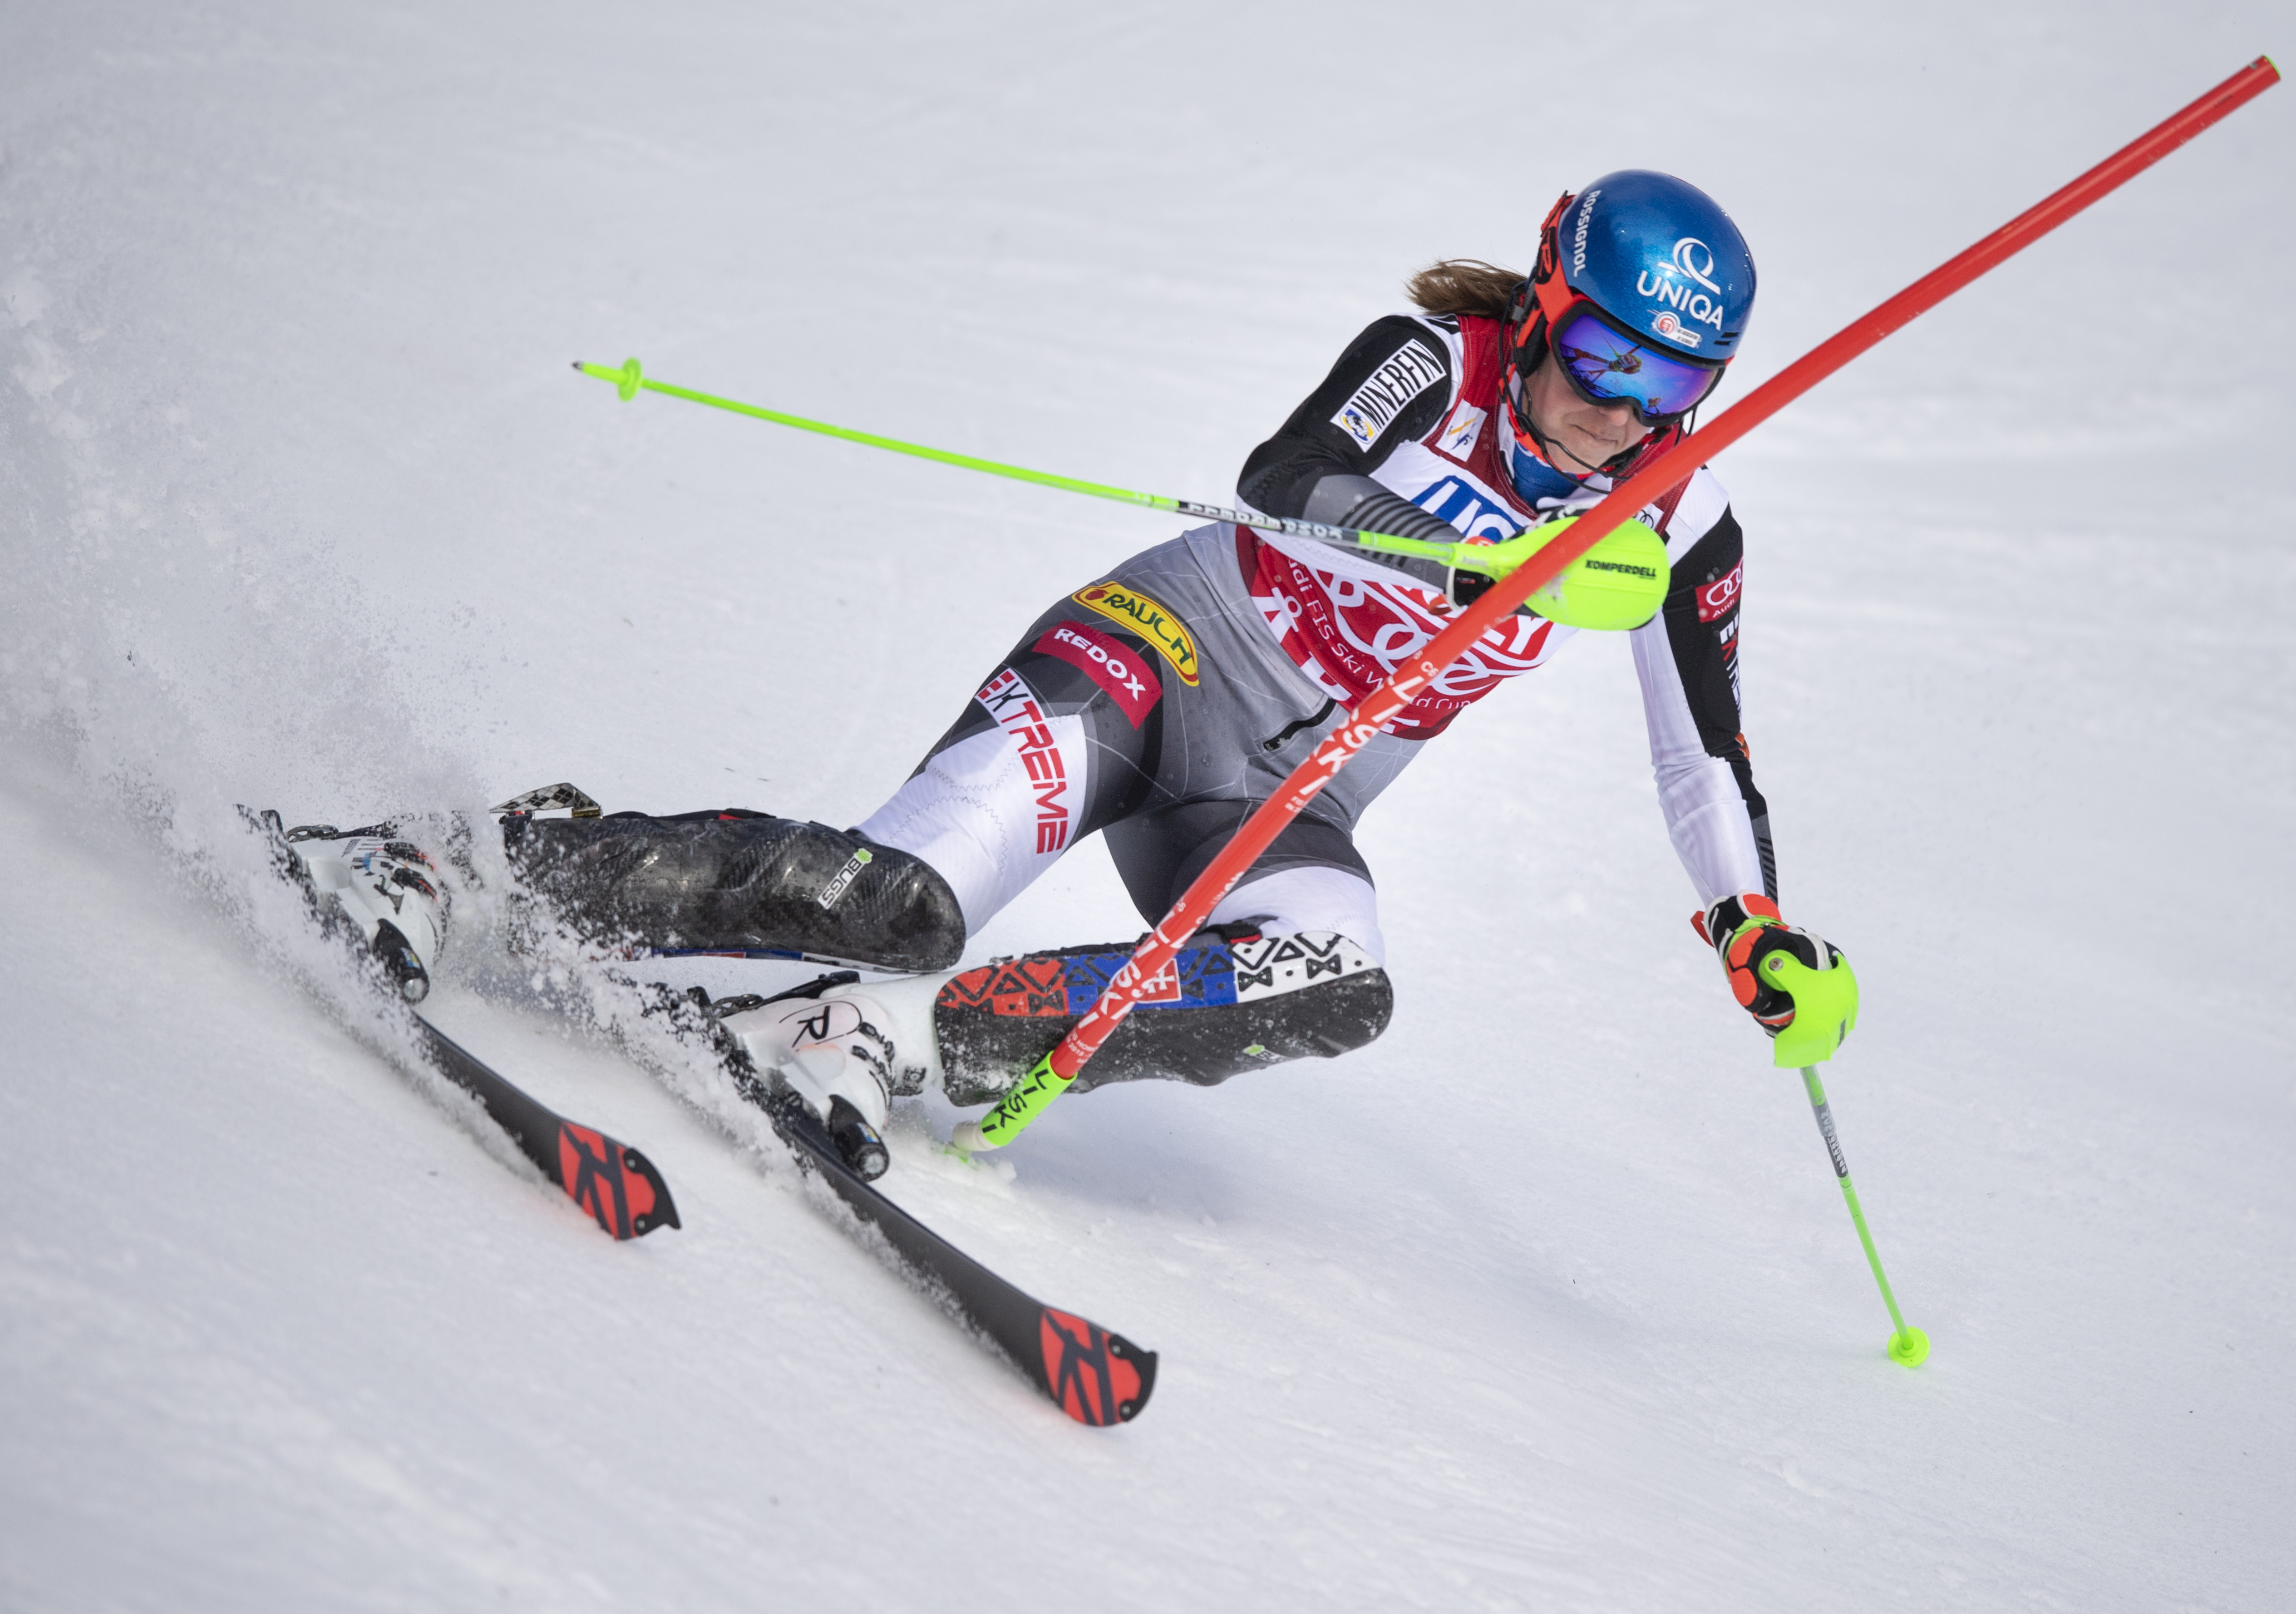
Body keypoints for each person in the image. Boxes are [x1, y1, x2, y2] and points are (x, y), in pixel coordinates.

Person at [300, 170, 1855, 1153]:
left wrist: (1752, 931)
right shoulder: (1431, 365)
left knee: (1337, 976)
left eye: (1673, 381)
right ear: (1544, 306)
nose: (1621, 406)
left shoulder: (1677, 512)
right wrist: (1475, 556)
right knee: (888, 901)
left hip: (1275, 796)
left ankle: (873, 1036)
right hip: (1156, 664)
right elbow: (1285, 475)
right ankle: (457, 867)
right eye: (1601, 355)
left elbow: (1703, 754)